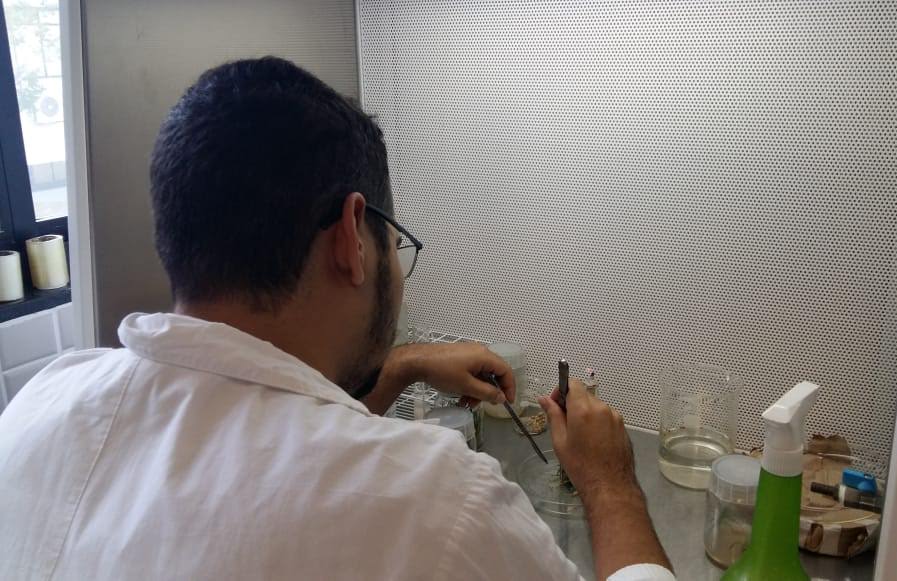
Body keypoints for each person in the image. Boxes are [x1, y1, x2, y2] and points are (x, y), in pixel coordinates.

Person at [0, 57, 673, 580]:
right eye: (395, 243)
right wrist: (609, 481)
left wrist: (402, 366)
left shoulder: (45, 400)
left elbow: (270, 430)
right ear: (353, 237)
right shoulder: (440, 507)